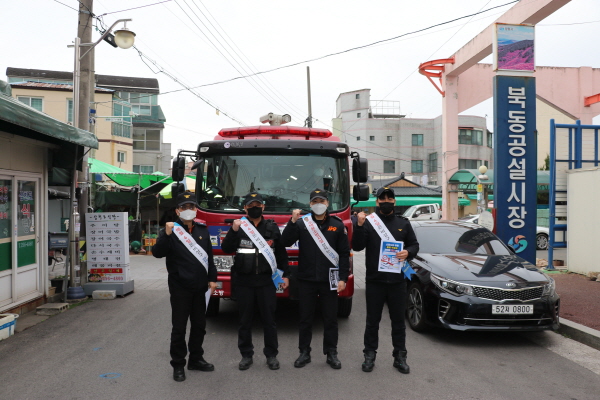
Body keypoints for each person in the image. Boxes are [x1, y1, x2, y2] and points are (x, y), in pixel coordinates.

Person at [352, 186, 419, 374]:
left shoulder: (403, 223)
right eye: (383, 199)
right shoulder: (369, 222)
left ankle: (400, 357)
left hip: (398, 282)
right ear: (377, 202)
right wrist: (359, 226)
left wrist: (408, 252)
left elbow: (414, 245)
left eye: (390, 199)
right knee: (372, 321)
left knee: (398, 322)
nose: (386, 201)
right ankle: (369, 355)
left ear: (394, 202)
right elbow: (357, 246)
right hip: (375, 281)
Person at [281, 189, 350, 369]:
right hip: (306, 279)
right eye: (315, 202)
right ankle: (304, 352)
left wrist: (343, 278)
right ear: (310, 204)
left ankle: (331, 353)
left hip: (330, 279)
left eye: (321, 201)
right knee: (305, 318)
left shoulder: (337, 225)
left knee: (330, 319)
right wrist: (292, 221)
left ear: (327, 203)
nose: (318, 204)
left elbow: (344, 254)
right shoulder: (302, 224)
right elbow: (285, 242)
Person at [152, 191, 217, 382]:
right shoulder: (171, 230)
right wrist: (166, 235)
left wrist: (212, 278)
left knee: (199, 326)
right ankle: (178, 364)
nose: (188, 210)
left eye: (191, 206)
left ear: (196, 209)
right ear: (177, 211)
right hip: (180, 287)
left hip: (200, 287)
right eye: (184, 207)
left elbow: (209, 257)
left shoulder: (202, 230)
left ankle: (196, 359)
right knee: (179, 328)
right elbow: (157, 253)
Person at [221, 192, 289, 371]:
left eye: (257, 205)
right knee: (245, 321)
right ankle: (246, 355)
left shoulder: (272, 227)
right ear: (245, 208)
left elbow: (281, 254)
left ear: (263, 207)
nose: (254, 208)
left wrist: (285, 276)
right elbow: (226, 248)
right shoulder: (239, 227)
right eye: (250, 206)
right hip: (244, 282)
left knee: (269, 321)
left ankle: (271, 355)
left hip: (266, 282)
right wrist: (233, 231)